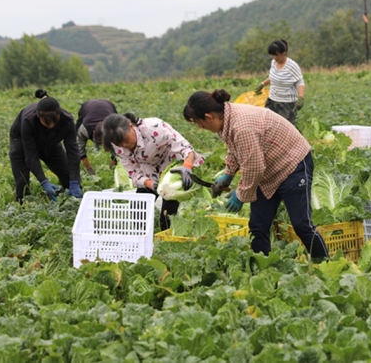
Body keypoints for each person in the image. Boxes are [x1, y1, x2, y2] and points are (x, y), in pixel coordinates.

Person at [183, 89, 329, 259]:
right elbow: (235, 149)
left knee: (301, 224)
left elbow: (255, 168)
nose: (200, 128)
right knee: (258, 225)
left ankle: (324, 264)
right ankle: (264, 268)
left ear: (209, 117)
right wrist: (228, 174)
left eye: (199, 123)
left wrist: (241, 195)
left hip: (292, 165)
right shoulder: (226, 120)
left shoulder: (242, 126)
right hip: (268, 169)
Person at [101, 113, 204, 231]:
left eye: (125, 140)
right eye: (120, 144)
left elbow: (186, 148)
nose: (124, 145)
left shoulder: (155, 128)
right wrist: (151, 184)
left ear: (130, 126)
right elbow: (133, 171)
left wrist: (187, 166)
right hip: (148, 172)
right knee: (138, 212)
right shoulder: (117, 145)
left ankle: (168, 240)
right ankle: (143, 239)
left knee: (167, 217)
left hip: (171, 169)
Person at [9, 89, 83, 203]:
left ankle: (73, 202)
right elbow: (31, 155)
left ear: (59, 115)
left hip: (51, 142)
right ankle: (22, 204)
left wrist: (74, 181)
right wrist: (44, 182)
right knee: (22, 181)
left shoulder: (67, 121)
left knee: (69, 176)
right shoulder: (28, 121)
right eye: (46, 124)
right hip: (21, 141)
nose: (51, 126)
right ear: (39, 117)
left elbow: (73, 152)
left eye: (54, 123)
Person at [254, 39, 305, 126]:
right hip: (272, 100)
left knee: (286, 127)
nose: (274, 57)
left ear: (283, 52)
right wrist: (262, 84)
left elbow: (300, 82)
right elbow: (273, 77)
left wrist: (301, 97)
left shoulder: (292, 66)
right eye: (272, 55)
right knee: (268, 124)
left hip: (286, 104)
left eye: (276, 55)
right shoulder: (273, 62)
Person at [75, 99, 118, 175]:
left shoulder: (114, 128)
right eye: (100, 141)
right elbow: (79, 147)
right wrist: (89, 169)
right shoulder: (84, 129)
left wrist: (112, 169)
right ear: (94, 133)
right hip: (87, 106)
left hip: (108, 105)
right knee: (74, 140)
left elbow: (119, 149)